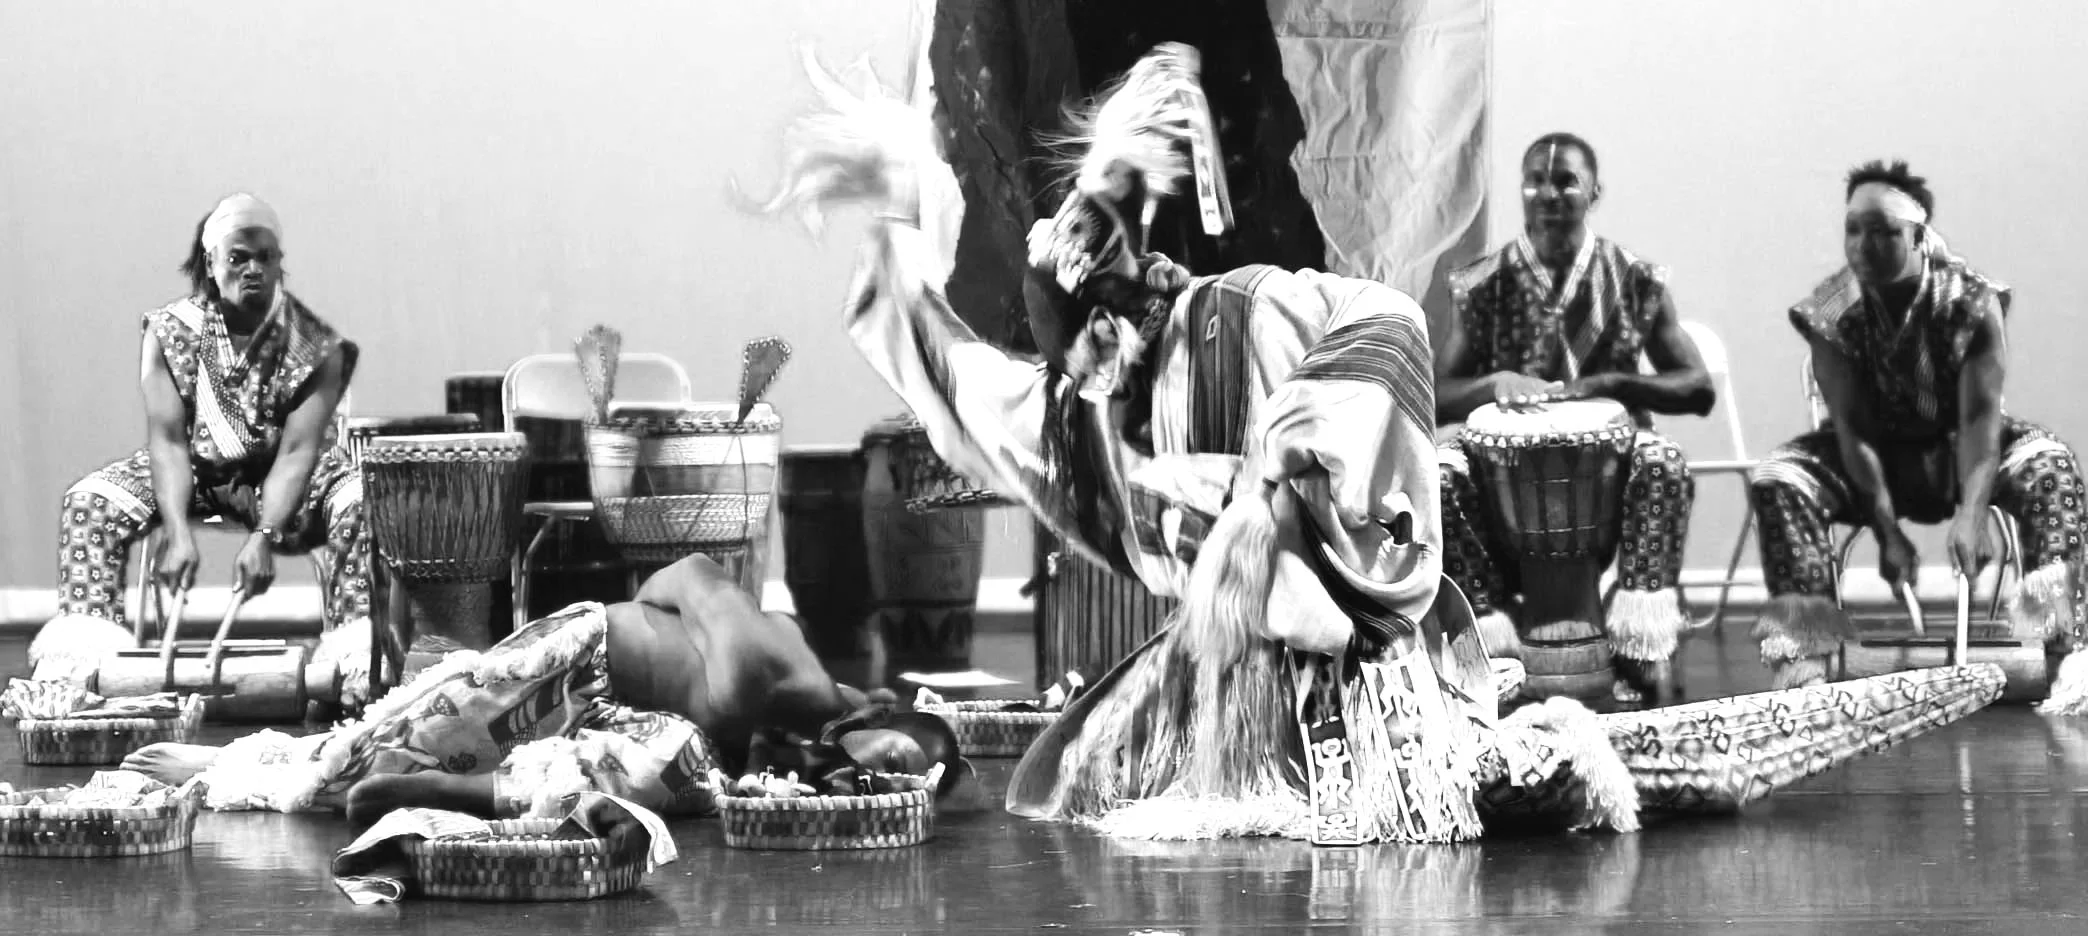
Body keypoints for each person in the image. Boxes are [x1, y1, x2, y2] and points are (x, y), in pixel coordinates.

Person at [756, 44, 2004, 846]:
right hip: (1221, 687)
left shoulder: (1245, 307)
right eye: (1081, 331)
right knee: (1082, 788)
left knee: (1411, 794)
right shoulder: (1077, 427)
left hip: (1349, 669)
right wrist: (900, 237)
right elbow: (965, 385)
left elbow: (1389, 326)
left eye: (1109, 302)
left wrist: (1291, 482)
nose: (1100, 340)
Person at [119, 553, 971, 826]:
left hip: (613, 700)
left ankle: (454, 788)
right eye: (895, 755)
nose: (885, 771)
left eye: (891, 777)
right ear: (877, 714)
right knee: (362, 761)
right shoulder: (772, 665)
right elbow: (690, 569)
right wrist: (639, 623)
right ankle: (229, 763)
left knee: (654, 775)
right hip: (580, 659)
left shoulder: (789, 728)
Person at [1748, 160, 2088, 711]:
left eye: (1882, 230)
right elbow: (1851, 430)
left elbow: (1980, 418)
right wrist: (1886, 532)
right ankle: (1805, 663)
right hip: (1873, 458)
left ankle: (2068, 652)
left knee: (2051, 462)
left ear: (1917, 235)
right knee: (1777, 477)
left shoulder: (1971, 303)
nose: (1864, 244)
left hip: (1959, 450)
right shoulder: (1831, 311)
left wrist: (1973, 514)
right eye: (1854, 229)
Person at [30, 194, 372, 682]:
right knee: (91, 499)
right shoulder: (169, 331)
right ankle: (85, 673)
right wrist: (176, 529)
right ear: (211, 264)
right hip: (194, 468)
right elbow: (167, 441)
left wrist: (264, 536)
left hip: (287, 477)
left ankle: (350, 667)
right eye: (238, 257)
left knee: (359, 495)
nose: (253, 268)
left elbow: (298, 453)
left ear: (279, 266)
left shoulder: (317, 349)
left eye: (265, 258)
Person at [1433, 134, 1714, 706]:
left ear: (1594, 192)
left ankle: (1642, 647)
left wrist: (1613, 383)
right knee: (1438, 473)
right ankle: (1484, 646)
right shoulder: (1481, 283)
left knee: (1664, 461)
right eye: (1536, 179)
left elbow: (1697, 388)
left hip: (1610, 477)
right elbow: (1435, 394)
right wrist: (1492, 384)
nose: (1549, 192)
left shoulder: (1635, 279)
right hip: (1501, 477)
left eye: (1565, 181)